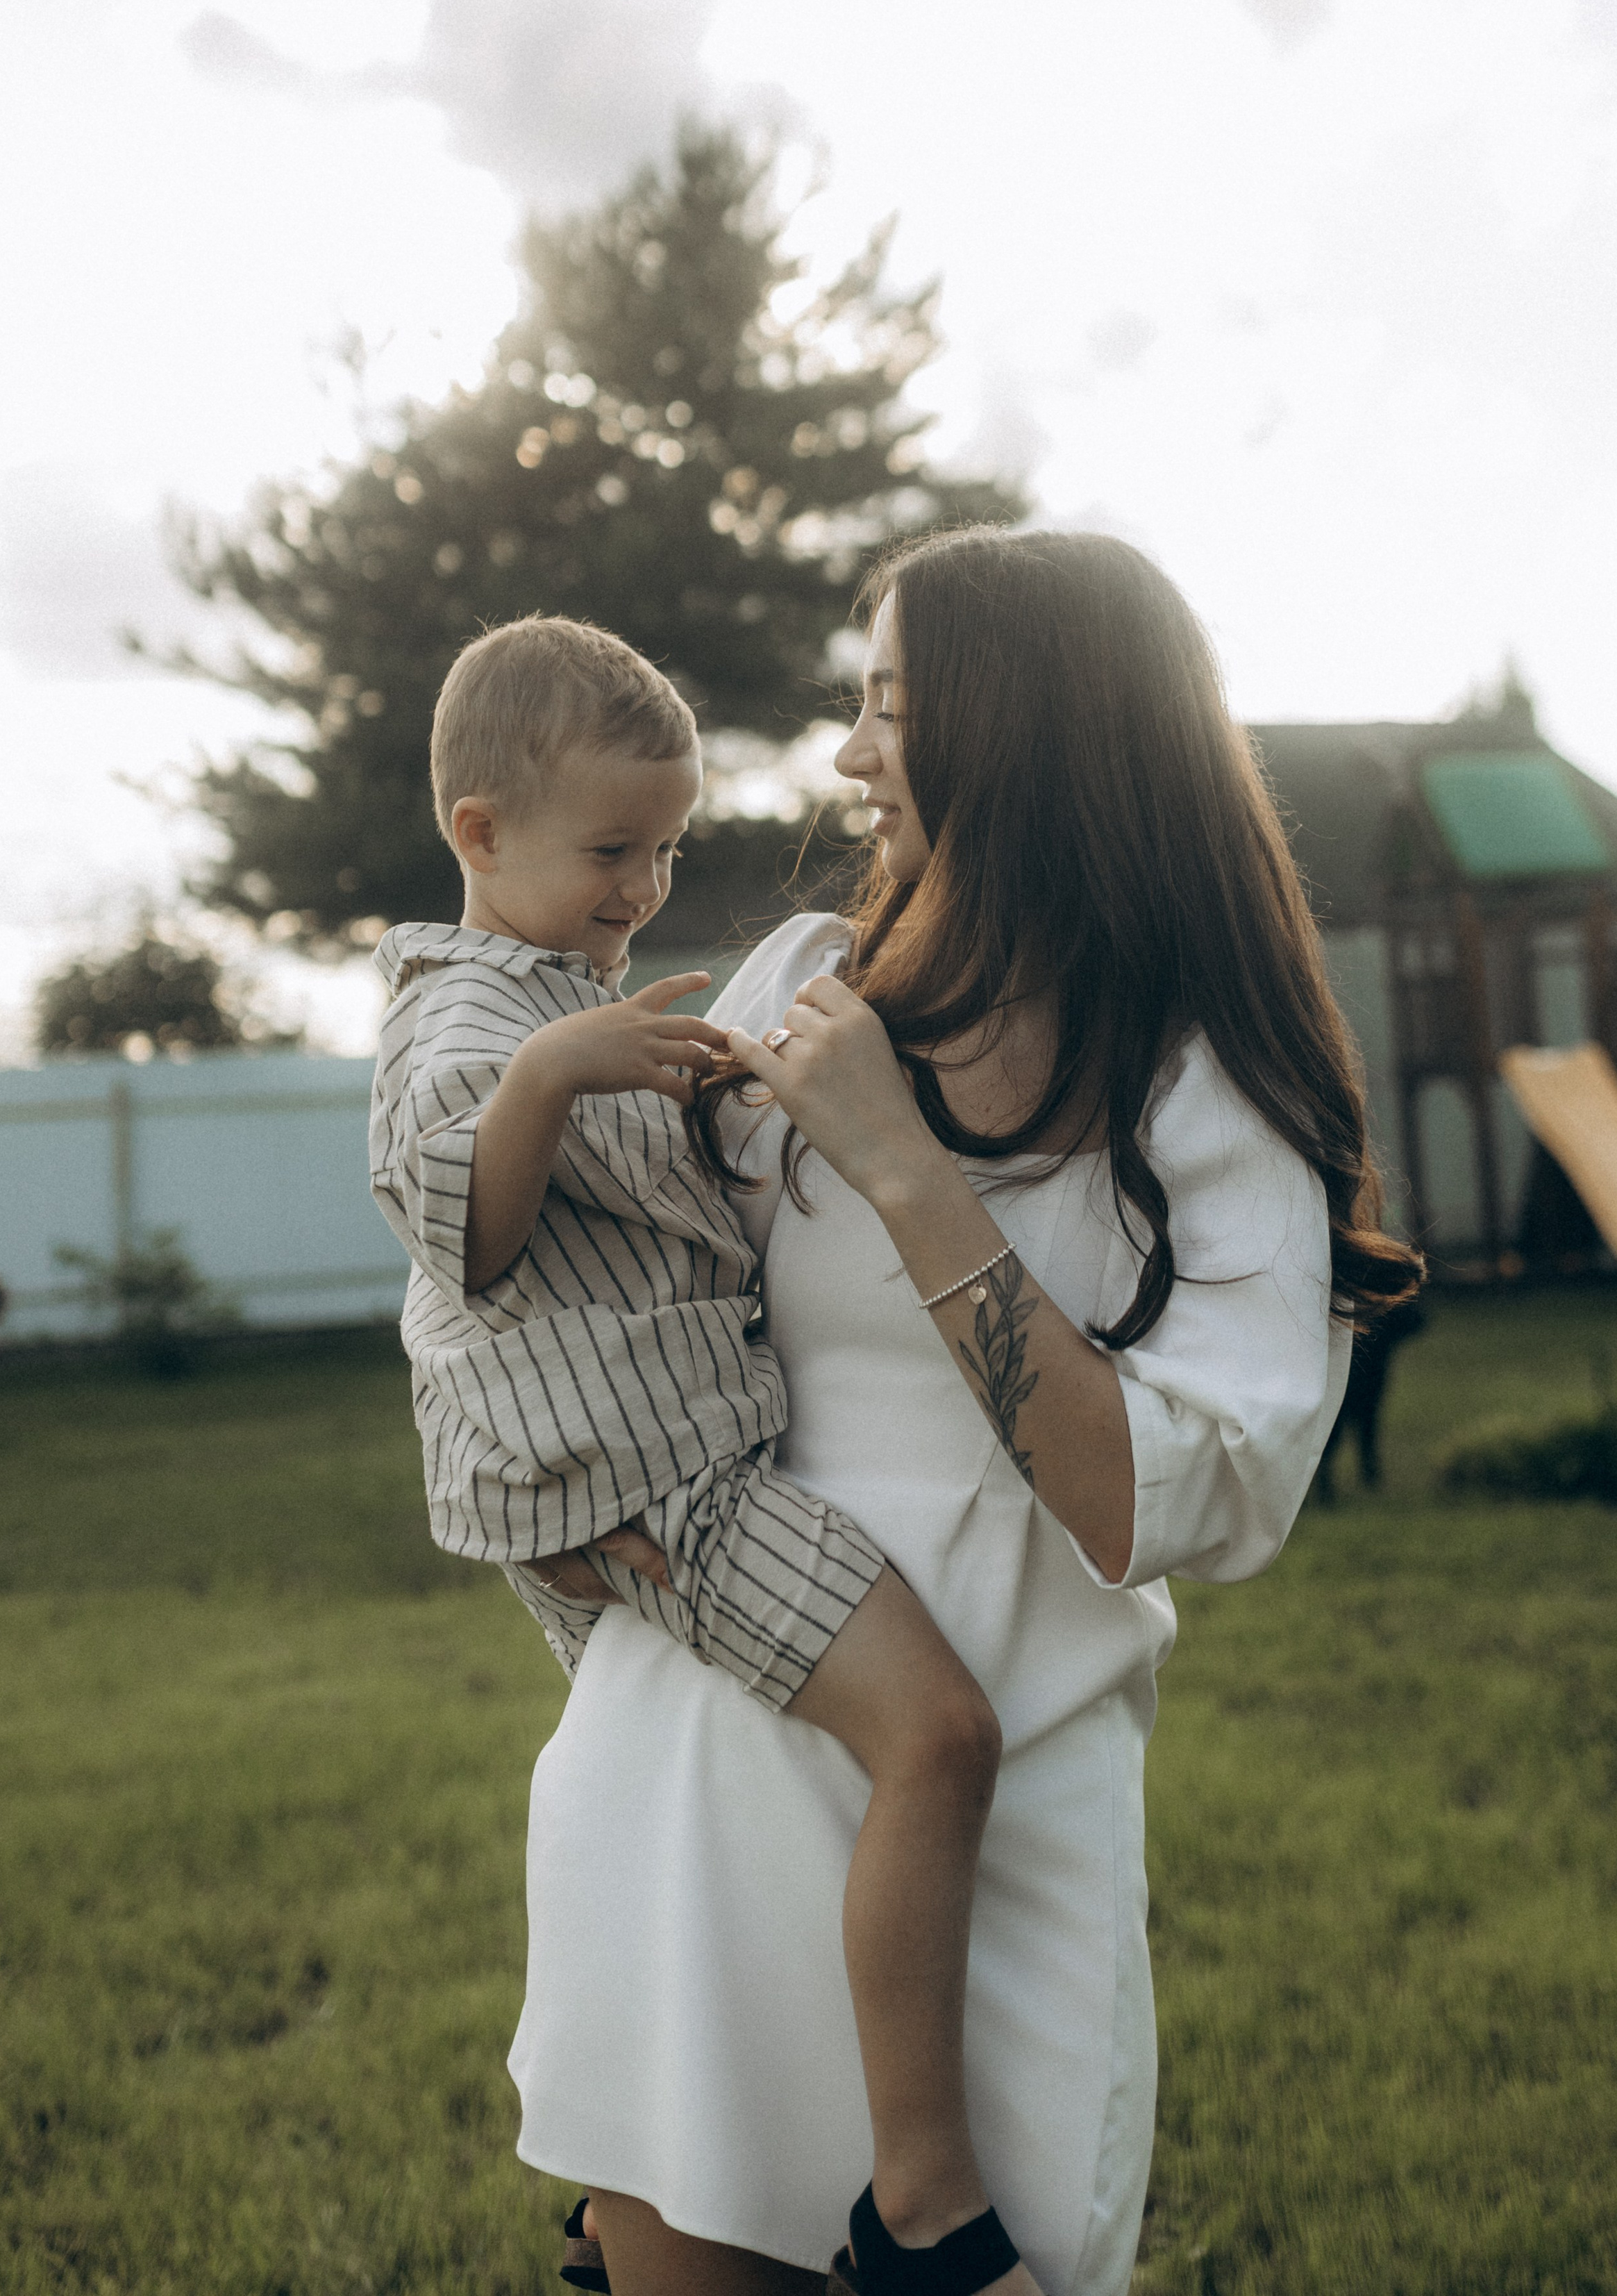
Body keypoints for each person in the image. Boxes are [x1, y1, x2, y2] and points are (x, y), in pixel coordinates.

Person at [513, 529, 1423, 2295]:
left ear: (1033, 733)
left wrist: (907, 1170)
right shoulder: (794, 980)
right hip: (693, 1767)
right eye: (857, 705)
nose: (851, 754)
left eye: (892, 708)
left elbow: (1170, 1507)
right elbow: (611, 1314)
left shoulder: (1200, 1076)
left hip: (992, 1828)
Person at [368, 616, 1045, 2296]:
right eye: (611, 850)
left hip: (654, 1475)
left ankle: (631, 2219)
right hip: (671, 1491)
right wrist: (549, 1074)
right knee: (939, 1737)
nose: (642, 887)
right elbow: (463, 1231)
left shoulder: (559, 993)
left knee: (682, 1823)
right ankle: (924, 2204)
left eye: (664, 849)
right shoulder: (461, 1021)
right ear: (478, 833)